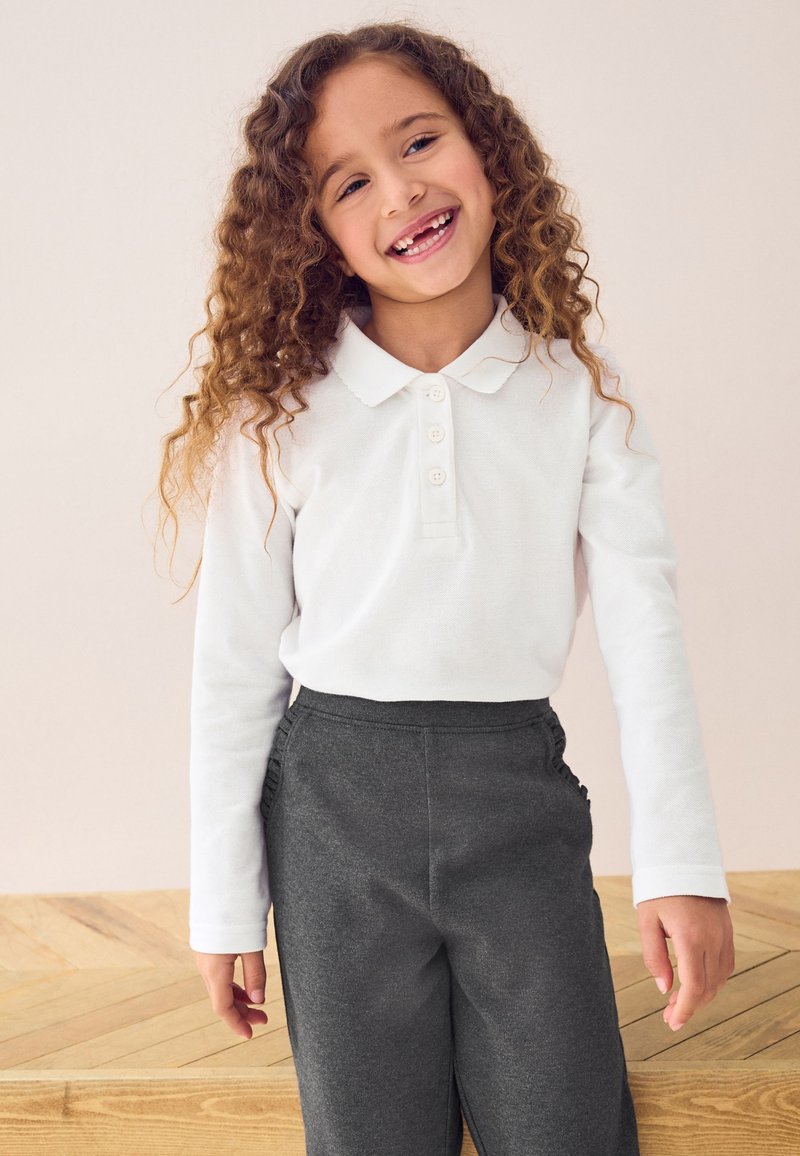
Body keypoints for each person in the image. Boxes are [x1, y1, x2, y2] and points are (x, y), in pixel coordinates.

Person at [157, 19, 735, 1156]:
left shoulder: (578, 395)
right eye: (349, 183)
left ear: (486, 148)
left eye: (420, 141)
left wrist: (682, 868)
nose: (401, 191)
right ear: (316, 235)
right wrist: (224, 905)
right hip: (331, 823)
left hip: (514, 804)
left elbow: (645, 635)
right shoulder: (278, 420)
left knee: (568, 1128)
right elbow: (233, 669)